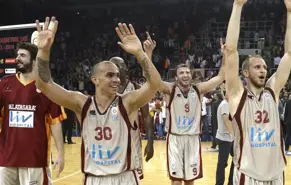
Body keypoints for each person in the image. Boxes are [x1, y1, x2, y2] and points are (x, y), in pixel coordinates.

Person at [33, 17, 162, 185]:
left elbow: (154, 84)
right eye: (110, 75)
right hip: (94, 179)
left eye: (117, 75)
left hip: (124, 178)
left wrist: (140, 53)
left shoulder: (127, 102)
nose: (116, 79)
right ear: (95, 79)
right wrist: (43, 51)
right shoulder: (81, 103)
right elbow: (44, 84)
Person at [224, 0, 291, 184]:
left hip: (275, 173)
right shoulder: (236, 95)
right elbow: (231, 50)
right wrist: (237, 6)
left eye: (265, 67)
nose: (263, 70)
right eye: (257, 67)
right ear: (245, 73)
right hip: (248, 174)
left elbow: (290, 54)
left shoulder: (271, 91)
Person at [152, 34, 226, 185]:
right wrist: (147, 54)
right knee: (176, 181)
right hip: (175, 138)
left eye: (187, 72)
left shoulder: (198, 90)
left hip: (192, 139)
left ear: (191, 74)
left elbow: (220, 77)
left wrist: (225, 56)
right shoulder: (169, 90)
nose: (185, 75)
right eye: (181, 73)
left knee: (190, 180)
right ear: (176, 76)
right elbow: (153, 80)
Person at [0, 42, 65, 185]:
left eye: (22, 55)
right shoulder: (4, 84)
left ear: (34, 61)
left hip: (35, 160)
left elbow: (55, 122)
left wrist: (61, 153)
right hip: (7, 159)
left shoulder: (47, 88)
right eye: (17, 55)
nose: (17, 58)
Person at [215, 89, 234, 185]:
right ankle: (219, 183)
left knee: (236, 159)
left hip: (228, 138)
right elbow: (226, 121)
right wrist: (234, 135)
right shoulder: (225, 105)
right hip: (224, 138)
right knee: (222, 164)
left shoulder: (229, 104)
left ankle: (231, 181)